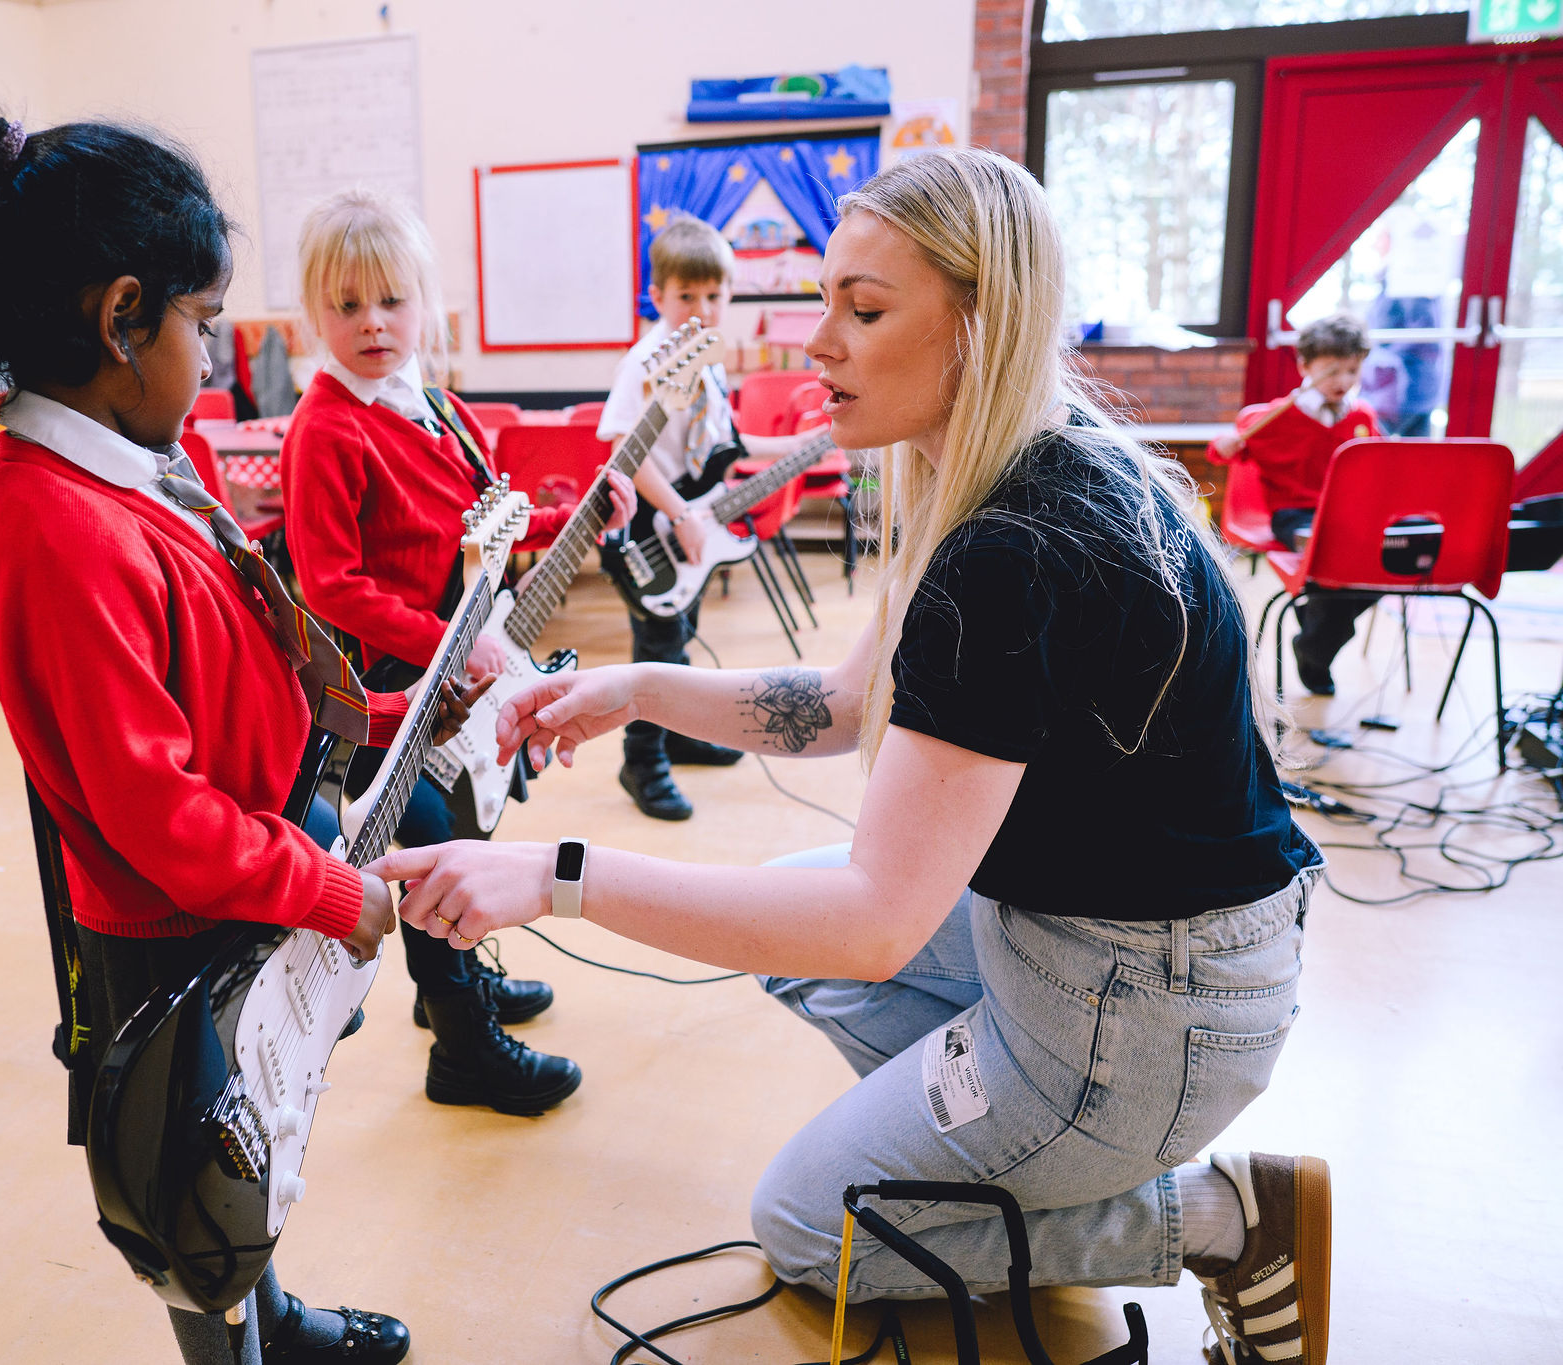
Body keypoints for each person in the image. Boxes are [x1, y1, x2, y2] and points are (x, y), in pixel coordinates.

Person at [370, 149, 1334, 1365]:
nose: (815, 343)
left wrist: (559, 878)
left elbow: (874, 923)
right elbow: (836, 702)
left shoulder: (1012, 554)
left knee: (811, 1230)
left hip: (1151, 1006)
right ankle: (1002, 1135)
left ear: (977, 327)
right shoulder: (1004, 460)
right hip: (1098, 945)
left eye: (863, 311)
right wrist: (634, 687)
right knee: (790, 930)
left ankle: (1217, 1217)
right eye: (824, 299)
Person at [0, 97, 458, 1365]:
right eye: (203, 324)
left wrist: (393, 712)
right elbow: (156, 813)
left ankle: (273, 1318)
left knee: (256, 1142)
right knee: (196, 1194)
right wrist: (326, 888)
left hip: (239, 888)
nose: (213, 358)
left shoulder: (130, 467)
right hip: (169, 931)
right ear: (122, 317)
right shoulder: (52, 524)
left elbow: (242, 665)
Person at [280, 188, 634, 1117]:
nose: (372, 322)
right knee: (432, 850)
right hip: (384, 698)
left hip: (450, 680)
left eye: (391, 300)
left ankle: (457, 981)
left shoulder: (438, 407)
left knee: (465, 834)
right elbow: (331, 586)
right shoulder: (325, 428)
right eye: (347, 305)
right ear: (313, 314)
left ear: (425, 304)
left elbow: (491, 525)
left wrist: (580, 513)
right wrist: (452, 643)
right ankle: (463, 1048)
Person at [596, 214, 808, 821]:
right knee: (657, 649)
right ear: (657, 296)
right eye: (687, 296)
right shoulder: (645, 362)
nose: (703, 308)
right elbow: (625, 453)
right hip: (650, 526)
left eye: (714, 295)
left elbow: (726, 445)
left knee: (682, 636)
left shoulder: (708, 361)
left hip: (690, 521)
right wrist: (681, 513)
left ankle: (680, 736)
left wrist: (797, 446)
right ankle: (642, 762)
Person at [1212, 313, 1382, 696]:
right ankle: (1317, 652)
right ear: (1305, 366)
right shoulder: (1275, 417)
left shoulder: (1362, 416)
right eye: (1332, 370)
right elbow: (1220, 452)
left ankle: (1314, 630)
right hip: (1296, 516)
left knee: (1390, 559)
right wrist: (1225, 446)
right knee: (1328, 554)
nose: (1343, 381)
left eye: (1352, 371)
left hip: (1347, 517)